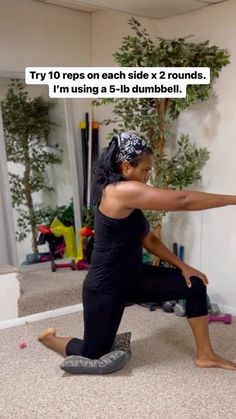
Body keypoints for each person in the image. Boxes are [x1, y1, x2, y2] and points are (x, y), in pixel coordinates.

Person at [38, 132, 236, 371]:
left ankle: (206, 355)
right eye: (145, 170)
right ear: (125, 166)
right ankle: (51, 339)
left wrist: (183, 266)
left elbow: (149, 239)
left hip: (134, 279)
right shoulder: (118, 192)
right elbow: (182, 200)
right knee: (92, 352)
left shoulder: (130, 198)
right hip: (105, 287)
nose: (147, 176)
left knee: (194, 284)